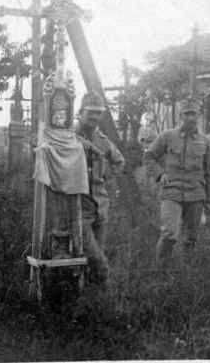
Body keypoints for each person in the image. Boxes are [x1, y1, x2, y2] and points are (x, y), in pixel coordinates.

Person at [144, 98, 210, 269]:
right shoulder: (167, 136)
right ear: (180, 116)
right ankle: (161, 271)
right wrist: (159, 174)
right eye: (187, 114)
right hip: (172, 192)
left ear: (199, 116)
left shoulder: (205, 141)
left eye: (194, 114)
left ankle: (186, 273)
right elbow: (149, 157)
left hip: (196, 194)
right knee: (169, 234)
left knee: (191, 237)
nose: (190, 118)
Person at [75, 91, 125, 285]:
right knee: (97, 260)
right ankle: (106, 292)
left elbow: (119, 161)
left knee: (94, 261)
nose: (95, 117)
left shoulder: (103, 141)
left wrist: (108, 178)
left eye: (98, 113)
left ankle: (93, 297)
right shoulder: (68, 136)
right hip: (78, 207)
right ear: (81, 112)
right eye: (91, 112)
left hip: (100, 206)